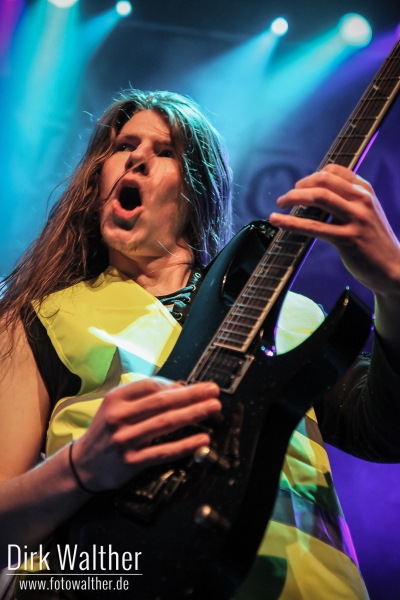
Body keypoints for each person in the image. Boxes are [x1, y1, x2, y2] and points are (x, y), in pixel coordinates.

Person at [0, 88, 399, 600]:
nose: (137, 158)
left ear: (196, 189)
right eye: (124, 146)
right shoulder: (39, 317)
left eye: (165, 151)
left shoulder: (293, 313)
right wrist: (80, 468)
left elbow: (387, 433)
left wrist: (393, 286)